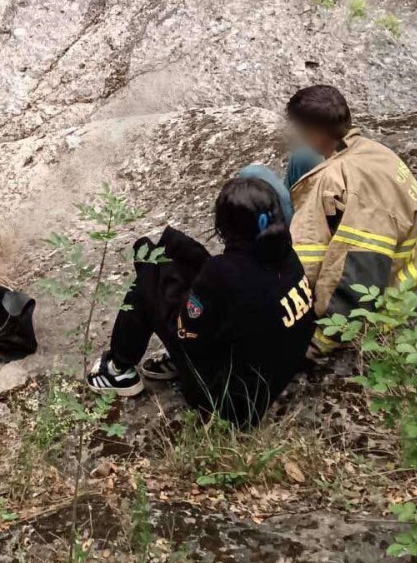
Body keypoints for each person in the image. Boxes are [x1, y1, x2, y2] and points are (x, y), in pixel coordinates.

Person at [88, 176, 315, 428]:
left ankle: (117, 367)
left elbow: (183, 331)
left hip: (230, 403)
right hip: (275, 373)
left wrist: (162, 283)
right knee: (179, 253)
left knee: (150, 268)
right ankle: (154, 359)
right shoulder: (285, 253)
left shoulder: (224, 274)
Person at [285, 85, 417, 357]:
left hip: (385, 299)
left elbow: (357, 272)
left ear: (313, 132)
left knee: (255, 176)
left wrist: (318, 340)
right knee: (301, 160)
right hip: (405, 264)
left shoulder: (338, 184)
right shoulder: (371, 151)